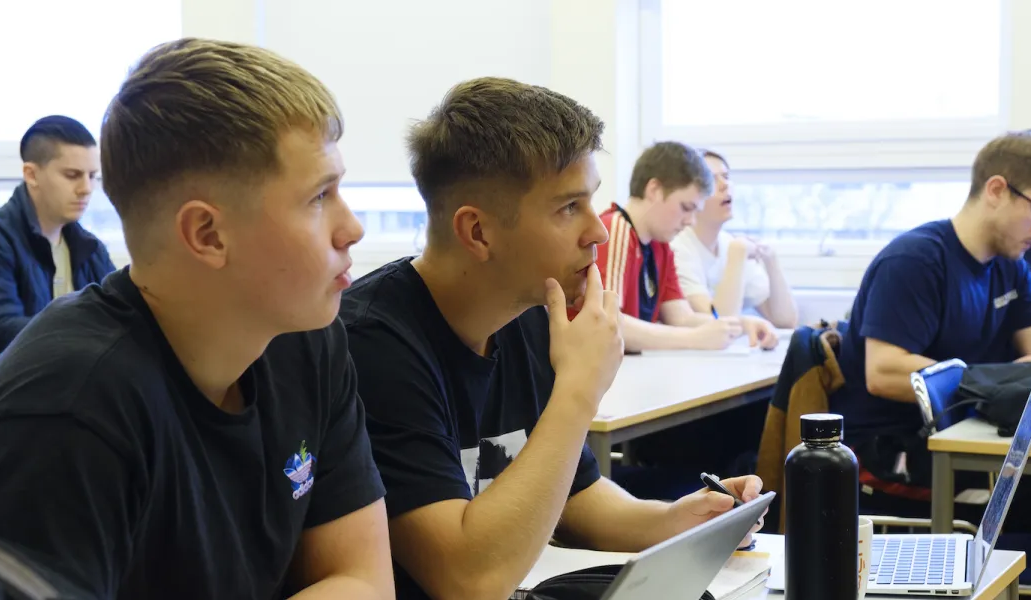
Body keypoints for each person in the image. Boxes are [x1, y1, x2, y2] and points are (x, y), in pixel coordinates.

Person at [0, 39, 393, 599]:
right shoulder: (68, 411)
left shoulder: (307, 341)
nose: (352, 229)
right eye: (320, 196)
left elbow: (362, 579)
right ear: (207, 234)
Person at [342, 77, 764, 600]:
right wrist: (579, 391)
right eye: (569, 208)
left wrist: (675, 520)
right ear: (477, 232)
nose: (599, 231)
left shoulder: (532, 313)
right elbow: (469, 579)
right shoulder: (372, 345)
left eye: (591, 202)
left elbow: (576, 496)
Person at [833, 131, 1031, 517]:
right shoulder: (916, 260)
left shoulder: (1010, 264)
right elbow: (883, 371)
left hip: (960, 441)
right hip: (891, 453)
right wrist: (996, 379)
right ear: (996, 190)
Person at [0, 116, 117, 440]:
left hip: (62, 410)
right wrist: (91, 336)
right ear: (31, 174)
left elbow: (120, 319)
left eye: (92, 176)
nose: (86, 188)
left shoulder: (89, 247)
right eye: (72, 175)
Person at [594, 142, 778, 352]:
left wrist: (741, 325)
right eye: (686, 208)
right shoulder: (615, 229)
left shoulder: (661, 247)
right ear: (654, 190)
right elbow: (607, 323)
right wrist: (694, 338)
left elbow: (681, 318)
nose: (690, 221)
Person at [671, 149, 799, 329]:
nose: (725, 185)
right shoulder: (678, 248)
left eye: (726, 176)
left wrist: (771, 260)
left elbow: (785, 321)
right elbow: (719, 324)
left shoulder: (729, 243)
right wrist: (738, 254)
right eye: (712, 180)